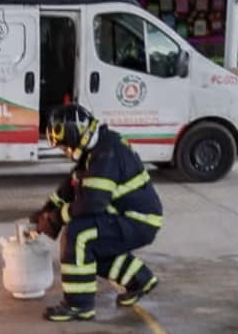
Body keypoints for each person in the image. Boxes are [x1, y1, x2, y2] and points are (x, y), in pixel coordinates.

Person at [29, 103, 162, 322]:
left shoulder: (106, 153)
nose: (65, 151)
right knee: (89, 250)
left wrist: (55, 220)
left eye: (64, 146)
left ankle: (78, 306)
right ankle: (139, 279)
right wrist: (47, 209)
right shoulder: (96, 148)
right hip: (128, 218)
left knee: (78, 236)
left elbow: (91, 203)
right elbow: (72, 186)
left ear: (74, 135)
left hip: (138, 221)